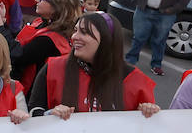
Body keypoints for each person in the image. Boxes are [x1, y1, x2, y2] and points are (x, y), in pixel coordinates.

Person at [31, 12, 159, 118]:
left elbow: (146, 132)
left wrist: (148, 112)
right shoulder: (54, 68)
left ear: (106, 39)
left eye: (84, 32)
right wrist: (50, 114)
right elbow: (34, 110)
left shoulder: (135, 81)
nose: (74, 37)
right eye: (75, 30)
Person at [0, 0, 81, 91]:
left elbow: (18, 55)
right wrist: (3, 23)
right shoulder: (43, 23)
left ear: (56, 7)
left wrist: (0, 28)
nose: (36, 0)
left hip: (31, 93)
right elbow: (19, 44)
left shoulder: (48, 40)